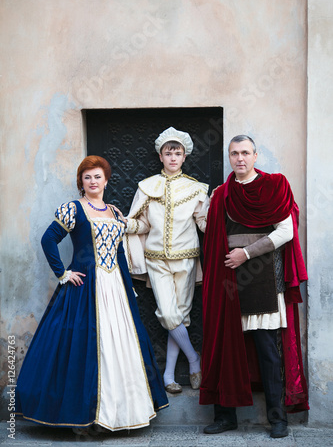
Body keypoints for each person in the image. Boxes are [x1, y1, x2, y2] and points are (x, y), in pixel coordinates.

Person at [15, 155, 168, 435]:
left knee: (120, 345)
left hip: (116, 289)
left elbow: (120, 253)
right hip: (85, 287)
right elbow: (48, 239)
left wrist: (127, 284)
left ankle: (120, 414)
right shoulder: (73, 209)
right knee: (83, 346)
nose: (93, 181)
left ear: (106, 180)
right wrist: (63, 273)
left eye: (97, 176)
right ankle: (83, 417)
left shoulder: (114, 211)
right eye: (87, 177)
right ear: (81, 182)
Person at [200, 135, 309, 439]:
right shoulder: (222, 194)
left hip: (262, 277)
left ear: (255, 155)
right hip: (228, 280)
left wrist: (246, 253)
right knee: (226, 348)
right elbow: (212, 233)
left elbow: (286, 230)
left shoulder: (275, 185)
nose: (240, 159)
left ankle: (277, 418)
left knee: (268, 351)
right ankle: (225, 417)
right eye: (234, 154)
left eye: (245, 152)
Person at [122, 127, 209, 394]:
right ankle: (195, 359)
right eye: (168, 153)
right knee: (169, 314)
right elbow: (141, 224)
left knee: (180, 316)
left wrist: (221, 213)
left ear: (185, 157)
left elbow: (204, 224)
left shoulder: (196, 189)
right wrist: (121, 223)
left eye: (177, 153)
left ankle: (169, 375)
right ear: (160, 156)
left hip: (186, 259)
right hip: (156, 260)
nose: (173, 157)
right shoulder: (147, 187)